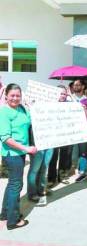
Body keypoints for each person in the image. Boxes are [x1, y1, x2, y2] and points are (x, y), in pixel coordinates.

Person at [0, 83, 37, 230]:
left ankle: (4, 213)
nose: (15, 98)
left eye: (18, 95)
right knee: (16, 185)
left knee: (12, 184)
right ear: (6, 96)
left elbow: (30, 122)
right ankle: (13, 220)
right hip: (12, 154)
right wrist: (26, 148)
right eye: (12, 95)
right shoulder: (4, 112)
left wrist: (30, 107)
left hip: (20, 154)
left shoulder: (22, 109)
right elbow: (5, 138)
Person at [48, 86, 73, 185]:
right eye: (60, 93)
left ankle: (62, 176)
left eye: (64, 94)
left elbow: (79, 109)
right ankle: (51, 178)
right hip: (53, 135)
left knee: (64, 156)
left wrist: (71, 95)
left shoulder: (70, 105)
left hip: (66, 136)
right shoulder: (49, 104)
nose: (62, 96)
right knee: (53, 157)